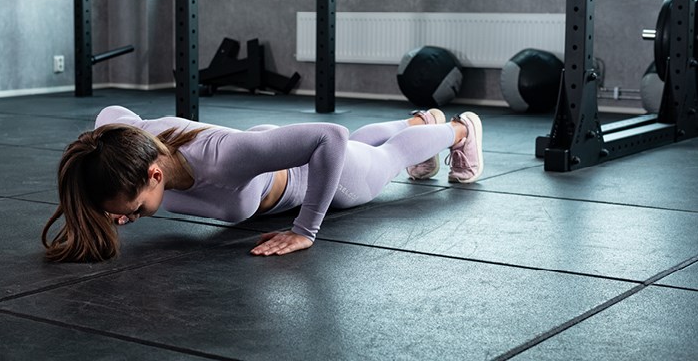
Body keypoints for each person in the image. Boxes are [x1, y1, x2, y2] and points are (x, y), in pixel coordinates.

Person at [42, 104, 483, 262]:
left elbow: (330, 137)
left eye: (134, 207)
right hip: (268, 152)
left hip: (323, 175)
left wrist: (305, 229)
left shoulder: (224, 160)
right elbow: (109, 114)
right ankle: (419, 120)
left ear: (155, 175)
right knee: (369, 148)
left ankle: (460, 130)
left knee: (386, 158)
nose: (125, 216)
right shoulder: (127, 141)